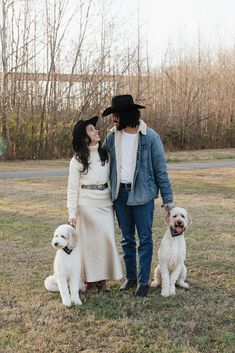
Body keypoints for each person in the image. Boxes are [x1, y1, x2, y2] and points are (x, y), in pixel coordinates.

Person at [102, 94, 174, 297]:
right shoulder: (111, 137)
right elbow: (100, 161)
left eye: (115, 115)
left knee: (145, 239)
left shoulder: (150, 137)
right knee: (126, 239)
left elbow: (161, 171)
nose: (113, 119)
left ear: (125, 115)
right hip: (120, 196)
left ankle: (143, 282)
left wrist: (168, 200)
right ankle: (131, 278)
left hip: (143, 196)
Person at [67, 116, 122, 292]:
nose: (96, 131)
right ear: (84, 137)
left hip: (105, 203)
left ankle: (103, 280)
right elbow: (72, 188)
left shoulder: (105, 154)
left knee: (106, 240)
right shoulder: (77, 161)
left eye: (95, 128)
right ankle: (90, 281)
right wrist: (72, 212)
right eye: (91, 129)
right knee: (89, 244)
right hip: (86, 205)